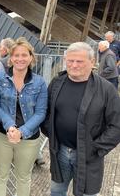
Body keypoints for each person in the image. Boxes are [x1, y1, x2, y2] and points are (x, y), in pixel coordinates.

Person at [42, 42, 120, 196]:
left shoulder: (106, 89)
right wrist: (52, 135)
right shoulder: (57, 83)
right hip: (60, 152)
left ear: (92, 62)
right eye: (70, 61)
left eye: (79, 61)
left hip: (89, 155)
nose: (74, 65)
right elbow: (46, 113)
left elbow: (116, 126)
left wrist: (95, 148)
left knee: (87, 193)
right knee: (57, 191)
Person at [0, 37, 47, 196]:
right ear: (10, 58)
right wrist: (9, 124)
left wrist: (22, 131)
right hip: (2, 135)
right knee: (0, 175)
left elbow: (41, 112)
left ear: (31, 57)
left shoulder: (39, 83)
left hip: (29, 139)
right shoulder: (0, 78)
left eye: (24, 55)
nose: (20, 59)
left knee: (23, 177)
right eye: (16, 55)